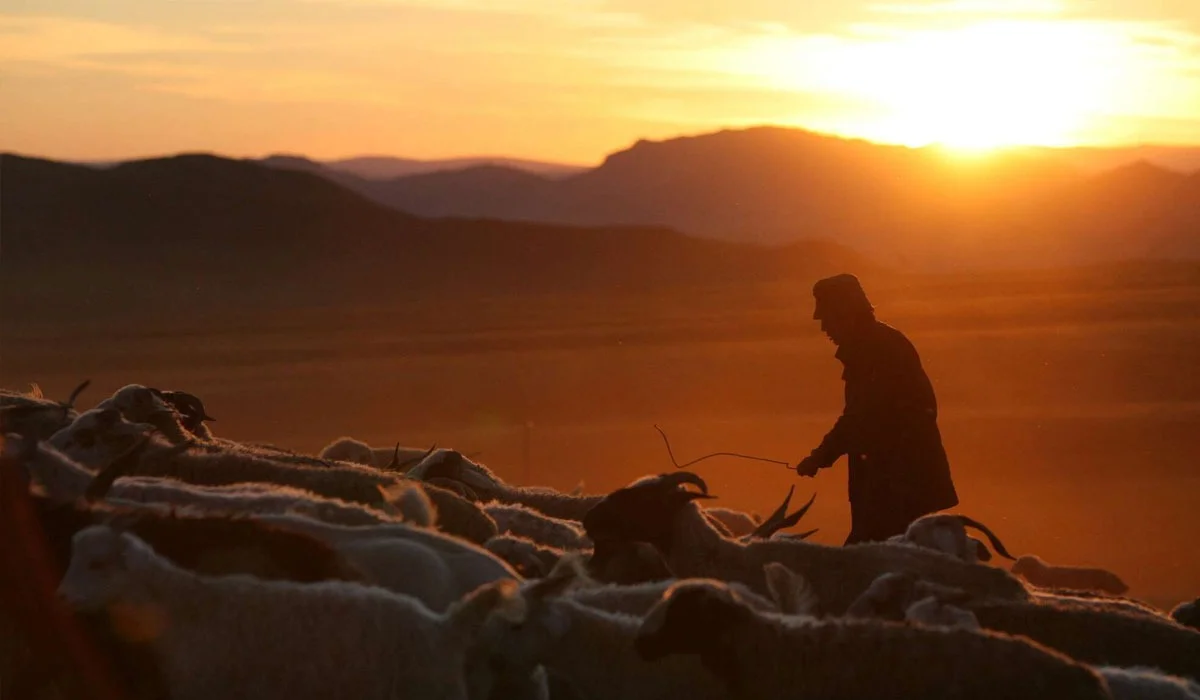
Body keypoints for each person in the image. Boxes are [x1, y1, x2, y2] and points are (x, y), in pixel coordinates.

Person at [795, 274, 958, 545]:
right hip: (894, 484)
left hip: (899, 487)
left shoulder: (877, 350)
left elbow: (860, 417)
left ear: (846, 314)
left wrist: (819, 457)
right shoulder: (874, 346)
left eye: (827, 319)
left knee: (868, 558)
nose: (824, 328)